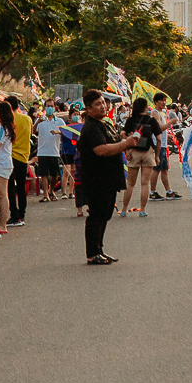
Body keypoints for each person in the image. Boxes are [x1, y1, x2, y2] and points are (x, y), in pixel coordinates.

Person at [79, 93, 137, 264]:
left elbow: (116, 142)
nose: (103, 106)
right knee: (97, 215)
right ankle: (92, 253)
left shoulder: (104, 124)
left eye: (103, 103)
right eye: (97, 104)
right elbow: (101, 150)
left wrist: (127, 140)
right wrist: (125, 144)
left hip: (109, 179)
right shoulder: (91, 127)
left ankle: (99, 250)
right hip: (97, 180)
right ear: (88, 109)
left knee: (105, 215)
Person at [121, 97, 161, 216]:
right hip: (148, 152)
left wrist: (126, 150)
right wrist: (157, 155)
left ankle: (124, 210)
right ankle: (142, 210)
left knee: (130, 184)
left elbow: (122, 134)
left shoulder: (130, 120)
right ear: (145, 107)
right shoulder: (151, 120)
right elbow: (159, 139)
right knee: (145, 183)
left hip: (134, 151)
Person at [7, 95, 33, 227]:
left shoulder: (9, 119)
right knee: (22, 186)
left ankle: (14, 214)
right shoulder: (28, 119)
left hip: (10, 156)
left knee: (10, 187)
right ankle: (22, 213)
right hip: (24, 157)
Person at [35, 103, 66, 203]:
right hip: (42, 151)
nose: (50, 108)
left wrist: (58, 132)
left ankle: (51, 190)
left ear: (54, 108)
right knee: (43, 174)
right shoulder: (41, 121)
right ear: (44, 108)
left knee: (55, 175)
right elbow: (32, 130)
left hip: (54, 151)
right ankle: (45, 195)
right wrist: (37, 121)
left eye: (51, 106)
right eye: (48, 106)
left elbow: (66, 132)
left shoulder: (59, 121)